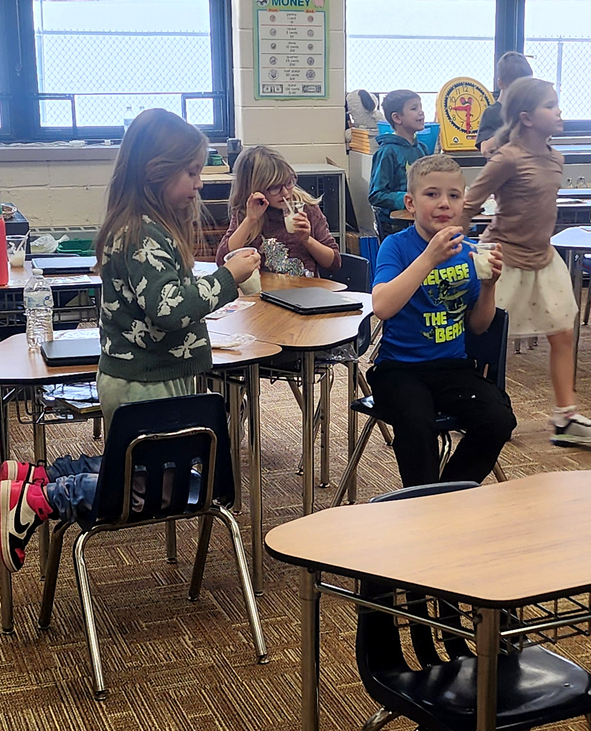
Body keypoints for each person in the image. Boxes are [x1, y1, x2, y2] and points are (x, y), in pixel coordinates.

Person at [0, 108, 260, 573]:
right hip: (144, 382)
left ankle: (39, 476)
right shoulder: (139, 233)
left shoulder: (147, 226)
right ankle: (42, 499)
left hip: (154, 376)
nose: (200, 183)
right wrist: (227, 277)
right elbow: (170, 309)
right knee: (154, 486)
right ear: (155, 172)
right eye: (192, 172)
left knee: (146, 465)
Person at [460, 77, 591, 446]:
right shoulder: (507, 158)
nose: (559, 111)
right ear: (527, 117)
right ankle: (471, 406)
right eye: (550, 105)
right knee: (483, 339)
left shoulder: (556, 158)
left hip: (543, 260)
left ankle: (566, 418)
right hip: (503, 259)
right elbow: (469, 203)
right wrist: (443, 247)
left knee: (563, 334)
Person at [369, 154, 517, 487]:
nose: (443, 204)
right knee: (416, 424)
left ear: (464, 203)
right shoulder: (396, 246)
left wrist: (490, 286)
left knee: (498, 419)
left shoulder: (469, 251)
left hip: (452, 367)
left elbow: (479, 325)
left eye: (453, 195)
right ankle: (423, 503)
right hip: (399, 369)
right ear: (411, 203)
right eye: (431, 194)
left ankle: (446, 495)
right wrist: (429, 257)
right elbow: (382, 306)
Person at [215, 145, 341, 277]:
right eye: (275, 187)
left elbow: (334, 263)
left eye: (289, 183)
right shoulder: (247, 212)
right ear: (256, 188)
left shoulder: (305, 207)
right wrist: (250, 220)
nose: (286, 193)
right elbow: (222, 262)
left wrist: (307, 240)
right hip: (263, 292)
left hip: (304, 292)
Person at [369, 89, 429, 240]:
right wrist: (410, 199)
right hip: (395, 228)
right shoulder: (387, 152)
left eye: (421, 107)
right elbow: (376, 195)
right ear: (397, 117)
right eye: (414, 108)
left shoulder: (423, 149)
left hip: (422, 223)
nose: (421, 112)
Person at [476, 51, 533, 159]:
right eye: (519, 87)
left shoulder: (530, 111)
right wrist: (515, 127)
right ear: (501, 84)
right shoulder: (492, 113)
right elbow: (485, 149)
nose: (525, 91)